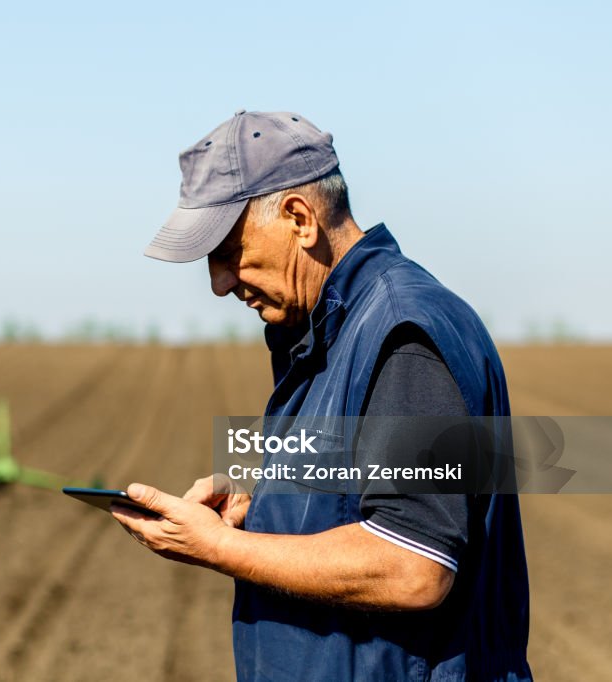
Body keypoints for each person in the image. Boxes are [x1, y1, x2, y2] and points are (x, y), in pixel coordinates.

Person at [111, 110, 531, 680]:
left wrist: (219, 548)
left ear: (299, 218)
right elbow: (356, 498)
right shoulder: (330, 333)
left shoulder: (402, 333)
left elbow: (413, 565)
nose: (219, 283)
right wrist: (261, 510)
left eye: (226, 251)